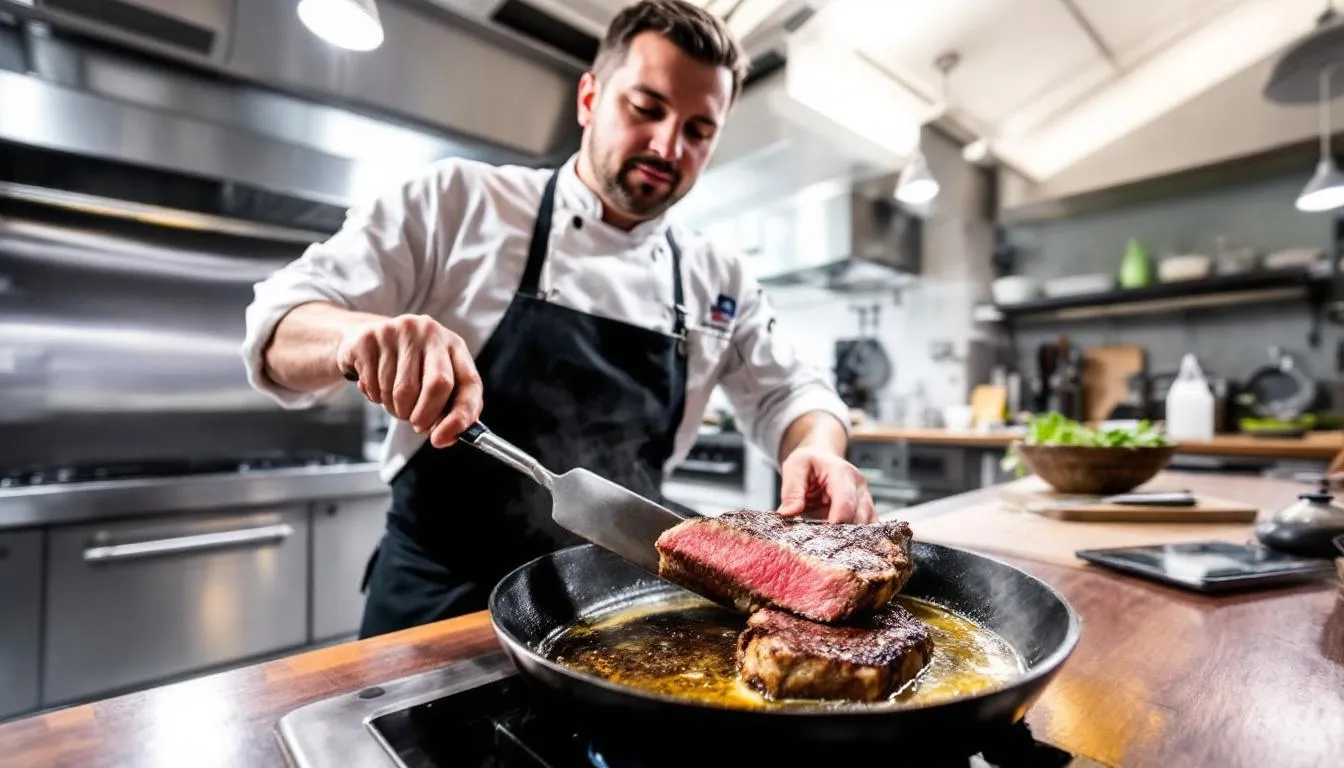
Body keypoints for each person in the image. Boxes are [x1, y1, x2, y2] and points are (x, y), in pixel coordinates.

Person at [240, 0, 876, 639]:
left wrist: (818, 449)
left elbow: (790, 391)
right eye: (646, 108)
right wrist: (357, 336)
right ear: (590, 99)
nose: (666, 145)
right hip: (433, 606)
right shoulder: (457, 202)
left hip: (608, 610)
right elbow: (276, 328)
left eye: (698, 130)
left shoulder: (718, 276)